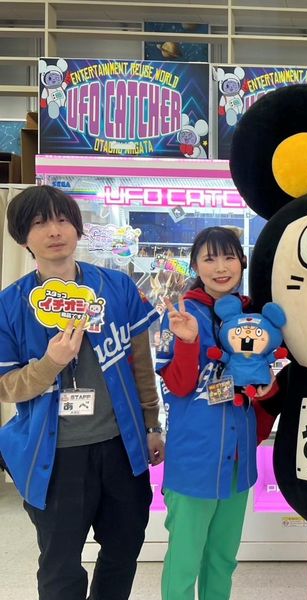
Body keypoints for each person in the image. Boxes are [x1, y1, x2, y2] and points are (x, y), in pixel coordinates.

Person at [0, 185, 163, 600]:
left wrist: (151, 425)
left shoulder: (116, 287)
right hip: (55, 455)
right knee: (60, 564)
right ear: (23, 237)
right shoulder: (10, 305)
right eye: (40, 223)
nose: (54, 231)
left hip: (121, 447)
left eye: (62, 220)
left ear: (77, 228)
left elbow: (140, 364)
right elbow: (6, 386)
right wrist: (51, 363)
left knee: (124, 549)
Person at [156, 226, 276, 600]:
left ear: (242, 261)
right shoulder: (180, 314)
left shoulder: (254, 316)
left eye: (229, 257)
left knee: (223, 559)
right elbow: (178, 386)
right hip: (194, 458)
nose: (221, 267)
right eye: (209, 259)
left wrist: (268, 385)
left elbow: (265, 381)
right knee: (184, 560)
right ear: (195, 265)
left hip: (239, 458)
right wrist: (188, 341)